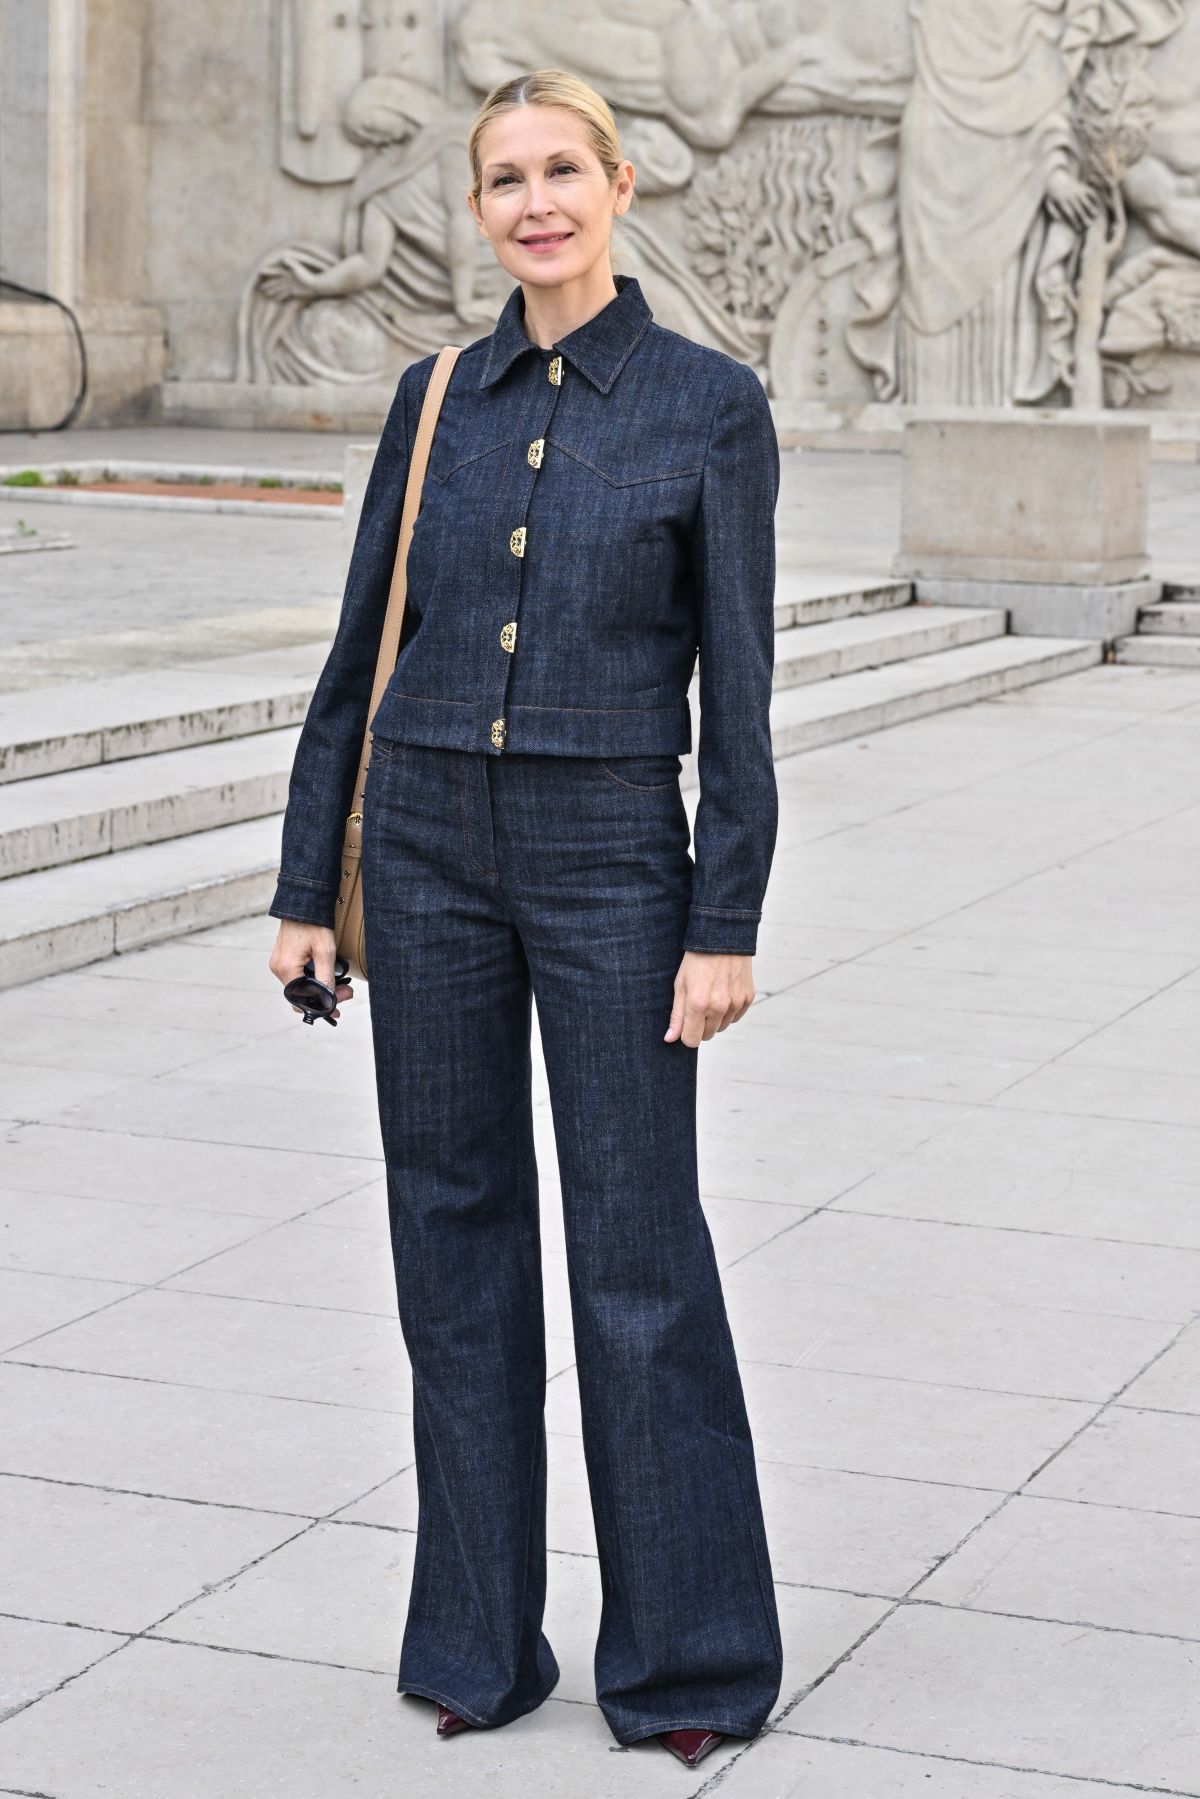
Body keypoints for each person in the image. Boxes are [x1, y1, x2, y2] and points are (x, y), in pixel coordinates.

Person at [267, 66, 783, 1771]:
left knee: (640, 1257)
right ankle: (478, 1643)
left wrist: (726, 917)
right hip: (418, 848)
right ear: (480, 208)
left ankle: (692, 1658)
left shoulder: (710, 406)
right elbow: (361, 659)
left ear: (622, 187)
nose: (537, 201)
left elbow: (742, 696)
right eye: (507, 178)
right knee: (451, 1241)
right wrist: (301, 894)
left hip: (611, 862)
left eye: (565, 169)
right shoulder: (433, 401)